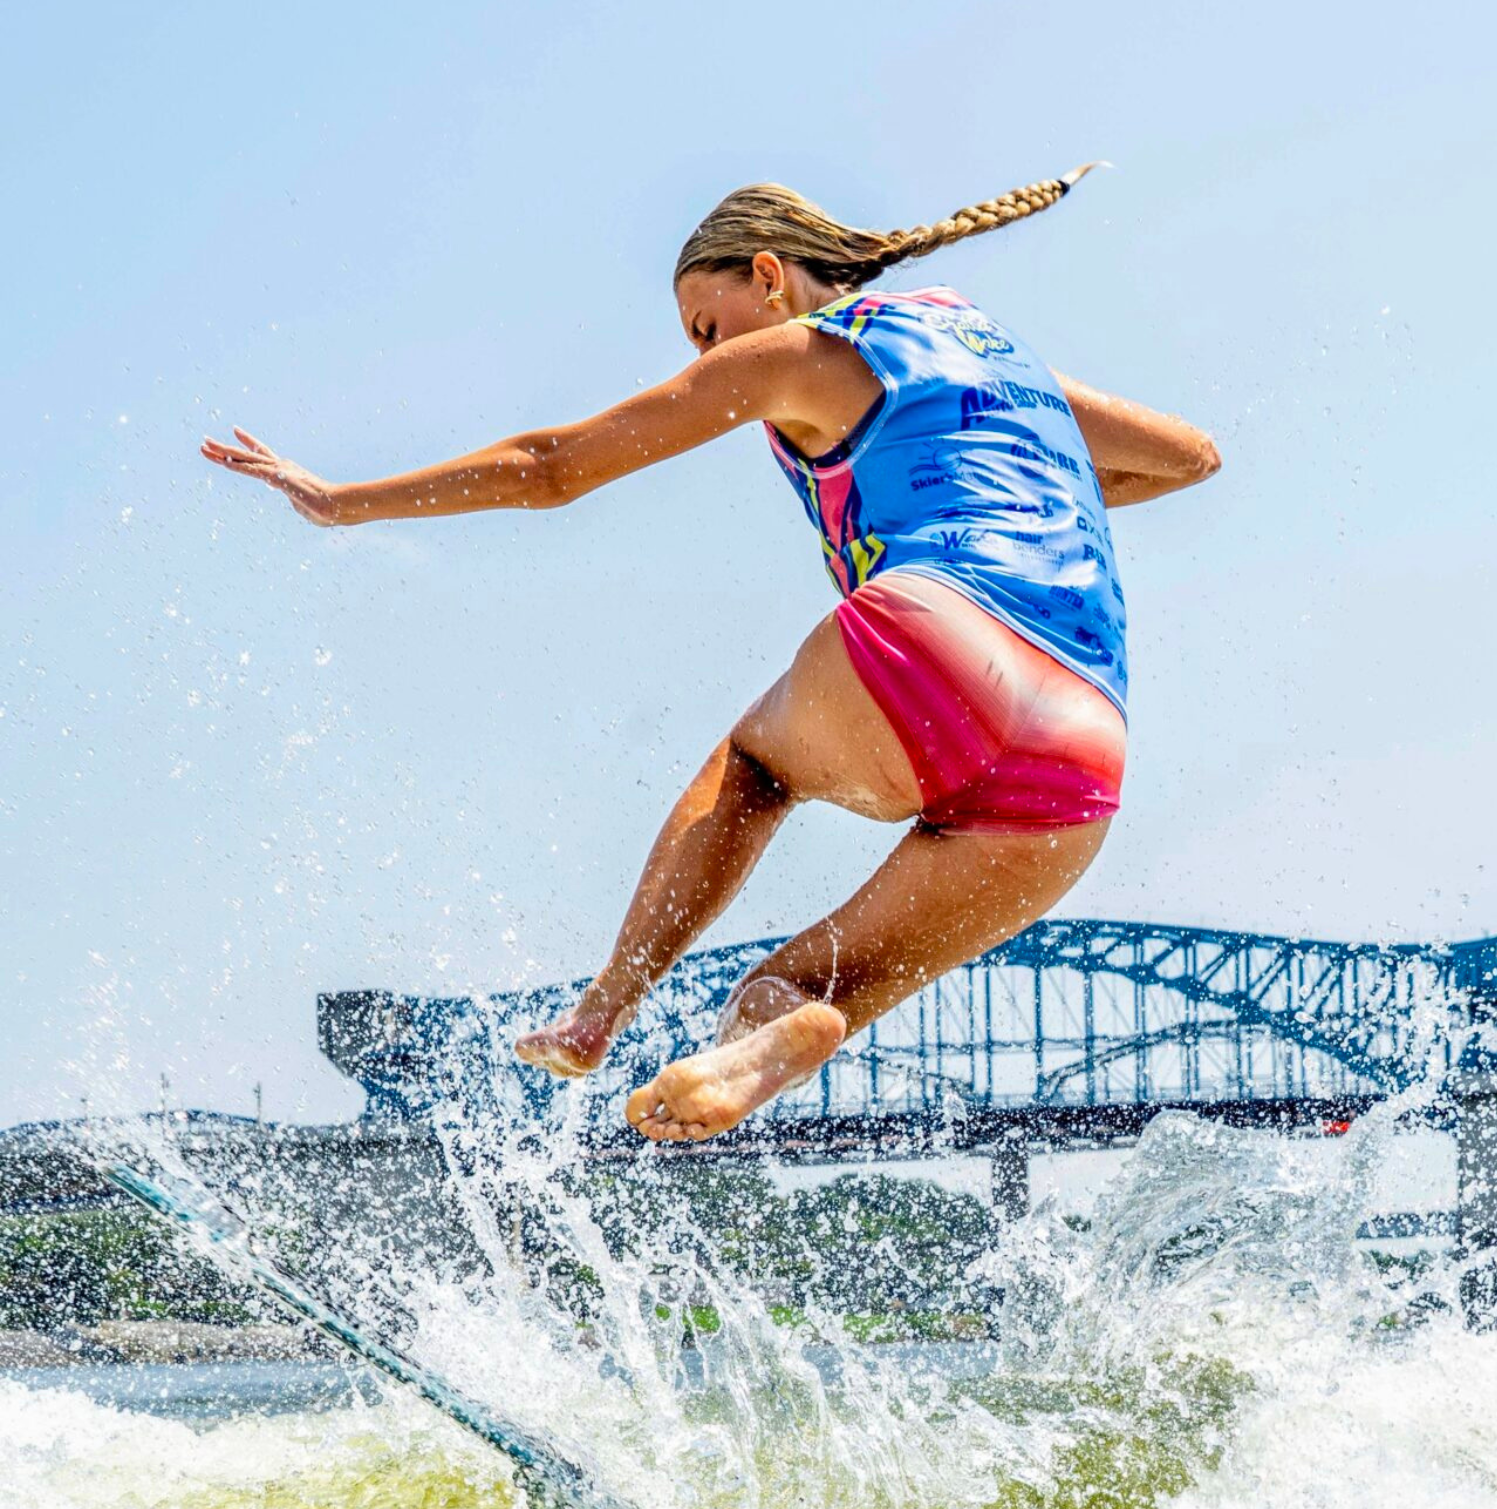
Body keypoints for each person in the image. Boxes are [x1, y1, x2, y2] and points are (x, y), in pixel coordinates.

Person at [200, 166, 1221, 1141]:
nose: (702, 354)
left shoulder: (806, 351)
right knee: (810, 991)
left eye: (706, 324)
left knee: (757, 771)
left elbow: (551, 467)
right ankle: (769, 1034)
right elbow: (1188, 455)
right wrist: (1044, 480)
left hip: (940, 635)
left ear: (767, 275)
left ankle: (603, 1008)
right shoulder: (1003, 358)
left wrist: (342, 503)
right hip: (1083, 750)